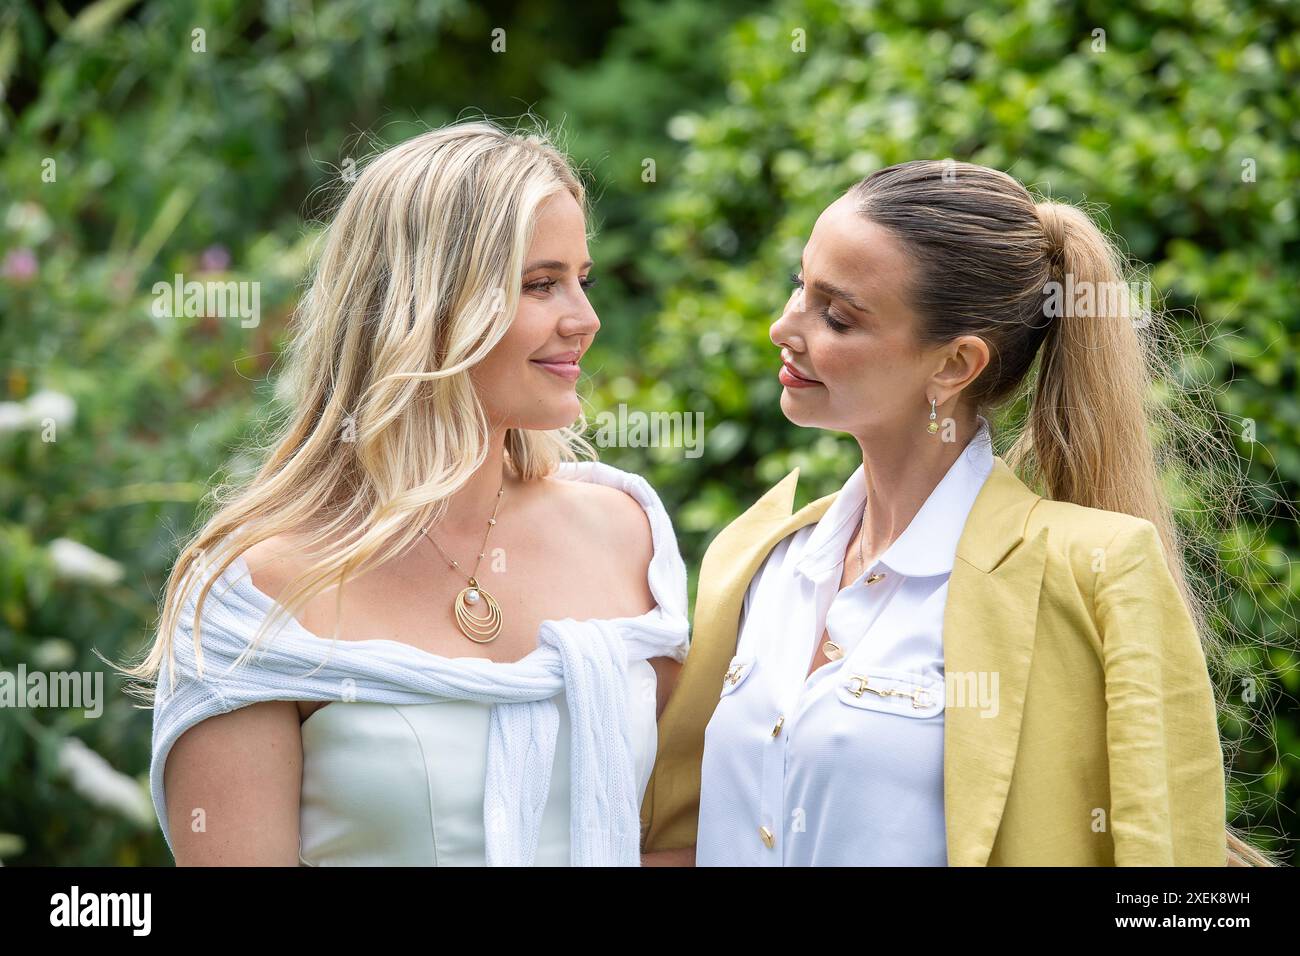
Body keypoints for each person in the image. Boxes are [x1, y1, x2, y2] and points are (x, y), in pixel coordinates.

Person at [639, 160, 1272, 866]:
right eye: (799, 287)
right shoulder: (758, 556)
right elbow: (677, 839)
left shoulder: (1096, 574)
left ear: (954, 365)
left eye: (837, 316)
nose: (782, 328)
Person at [120, 119, 688, 866]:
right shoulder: (256, 589)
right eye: (540, 284)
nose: (585, 320)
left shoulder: (627, 532)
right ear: (427, 306)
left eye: (582, 281)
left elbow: (676, 836)